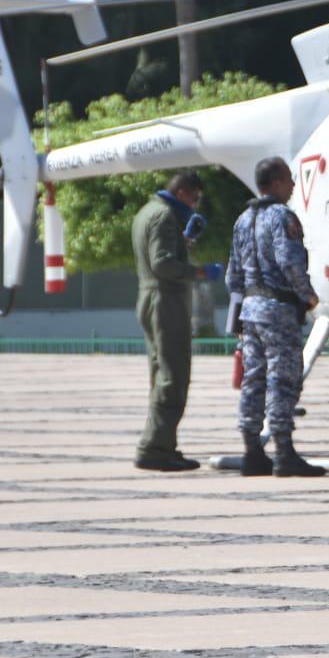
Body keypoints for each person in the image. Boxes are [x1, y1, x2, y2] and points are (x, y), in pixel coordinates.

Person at [227, 157, 324, 478]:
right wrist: (307, 295)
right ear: (278, 182)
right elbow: (290, 261)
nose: (294, 185)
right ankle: (284, 452)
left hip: (250, 311)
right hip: (279, 311)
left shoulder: (242, 220)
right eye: (290, 179)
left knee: (253, 379)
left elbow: (233, 276)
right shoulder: (282, 217)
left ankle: (251, 451)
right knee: (282, 378)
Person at [132, 170, 223, 471]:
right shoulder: (164, 216)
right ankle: (154, 447)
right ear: (183, 192)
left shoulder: (147, 211)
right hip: (165, 300)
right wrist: (199, 272)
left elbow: (160, 254)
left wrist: (185, 241)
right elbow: (163, 264)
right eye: (194, 198)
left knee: (162, 374)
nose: (195, 206)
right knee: (173, 377)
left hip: (153, 298)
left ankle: (164, 444)